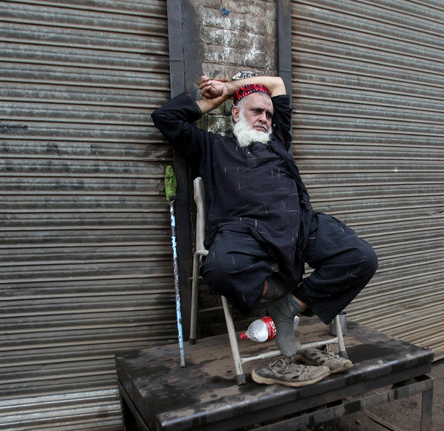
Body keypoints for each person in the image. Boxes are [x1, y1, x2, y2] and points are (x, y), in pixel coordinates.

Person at [152, 75, 378, 387]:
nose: (264, 119)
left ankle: (290, 306)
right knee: (217, 269)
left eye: (269, 114)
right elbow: (164, 117)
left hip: (299, 226)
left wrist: (232, 87)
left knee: (361, 257)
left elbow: (276, 83)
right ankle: (281, 291)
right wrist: (217, 98)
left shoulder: (279, 141)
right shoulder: (211, 147)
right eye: (256, 111)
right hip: (244, 232)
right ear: (236, 113)